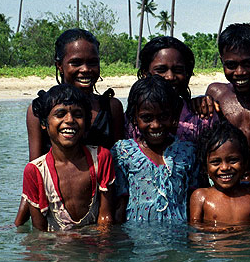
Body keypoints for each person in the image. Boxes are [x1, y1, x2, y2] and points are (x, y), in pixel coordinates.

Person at [15, 28, 124, 226]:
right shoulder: (38, 111)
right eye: (76, 62)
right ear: (60, 65)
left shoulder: (112, 108)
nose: (85, 69)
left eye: (92, 62)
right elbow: (35, 175)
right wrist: (18, 223)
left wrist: (113, 223)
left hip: (103, 210)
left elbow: (120, 167)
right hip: (58, 215)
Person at [22, 84, 115, 231]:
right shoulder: (35, 171)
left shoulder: (101, 158)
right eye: (60, 114)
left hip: (93, 244)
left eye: (78, 114)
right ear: (44, 123)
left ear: (87, 123)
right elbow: (39, 232)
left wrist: (101, 251)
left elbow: (105, 219)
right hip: (57, 246)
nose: (70, 120)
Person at [111, 75, 200, 223]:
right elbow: (120, 204)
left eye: (163, 116)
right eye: (147, 118)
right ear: (134, 118)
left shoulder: (187, 152)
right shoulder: (123, 153)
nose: (156, 125)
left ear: (174, 116)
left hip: (178, 236)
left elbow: (195, 199)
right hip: (138, 237)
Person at [129, 36, 216, 143]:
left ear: (187, 73)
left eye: (178, 70)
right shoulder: (132, 120)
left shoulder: (203, 117)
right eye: (161, 70)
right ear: (145, 73)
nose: (170, 77)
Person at [189, 121, 250, 227]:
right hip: (215, 243)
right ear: (205, 167)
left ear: (245, 163)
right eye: (216, 162)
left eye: (233, 160)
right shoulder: (200, 196)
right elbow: (195, 234)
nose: (225, 168)